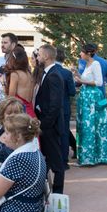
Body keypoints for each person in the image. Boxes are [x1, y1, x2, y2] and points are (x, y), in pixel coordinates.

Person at [74, 43, 107, 166]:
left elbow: (99, 82)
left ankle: (91, 158)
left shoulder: (95, 64)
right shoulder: (87, 64)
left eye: (81, 52)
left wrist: (81, 80)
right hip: (86, 98)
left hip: (92, 99)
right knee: (88, 126)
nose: (80, 54)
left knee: (91, 126)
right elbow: (86, 80)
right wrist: (77, 74)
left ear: (88, 53)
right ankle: (90, 156)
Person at [34, 44, 66, 194]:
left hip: (50, 126)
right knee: (46, 159)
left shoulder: (54, 75)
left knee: (57, 163)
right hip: (46, 124)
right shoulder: (47, 72)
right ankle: (44, 189)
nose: (37, 57)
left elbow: (55, 105)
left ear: (46, 56)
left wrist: (44, 124)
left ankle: (58, 193)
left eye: (39, 55)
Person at [55, 48, 77, 164]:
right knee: (64, 133)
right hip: (64, 106)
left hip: (50, 108)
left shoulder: (48, 71)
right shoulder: (67, 73)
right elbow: (72, 92)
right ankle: (64, 160)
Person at [2, 46, 35, 118]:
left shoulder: (15, 74)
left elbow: (11, 98)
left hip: (20, 114)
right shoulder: (29, 73)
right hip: (31, 113)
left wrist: (3, 82)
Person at [0, 33, 17, 98]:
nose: (2, 45)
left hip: (12, 101)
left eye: (5, 43)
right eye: (2, 43)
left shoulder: (18, 62)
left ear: (13, 45)